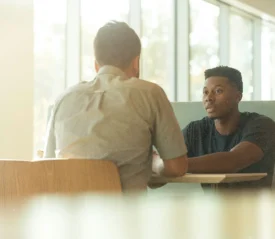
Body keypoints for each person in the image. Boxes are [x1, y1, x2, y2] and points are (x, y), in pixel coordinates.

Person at [43, 21, 188, 192]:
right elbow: (177, 167)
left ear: (97, 64)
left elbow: (47, 166)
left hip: (69, 215)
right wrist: (154, 162)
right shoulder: (150, 93)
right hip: (125, 215)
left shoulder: (63, 99)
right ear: (136, 63)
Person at [183, 66, 275, 189]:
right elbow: (165, 161)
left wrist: (176, 165)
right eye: (205, 92)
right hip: (211, 207)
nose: (208, 98)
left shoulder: (262, 125)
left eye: (218, 91)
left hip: (256, 206)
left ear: (238, 97)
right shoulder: (195, 131)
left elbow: (233, 160)